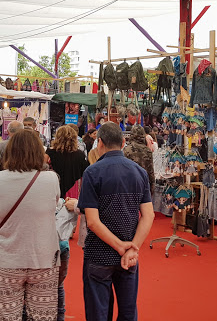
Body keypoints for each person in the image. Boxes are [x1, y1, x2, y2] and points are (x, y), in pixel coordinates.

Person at [78, 122, 155, 320]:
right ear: (123, 143)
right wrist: (132, 248)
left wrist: (122, 247)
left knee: (98, 313)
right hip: (129, 254)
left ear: (100, 143)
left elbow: (93, 222)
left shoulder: (92, 172)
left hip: (100, 254)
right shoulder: (139, 172)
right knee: (128, 312)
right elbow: (149, 215)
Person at [0, 129, 61, 320]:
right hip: (43, 259)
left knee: (7, 315)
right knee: (42, 315)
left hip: (6, 260)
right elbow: (55, 205)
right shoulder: (51, 179)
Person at [46, 125, 89, 199]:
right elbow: (84, 172)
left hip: (54, 188)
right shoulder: (79, 154)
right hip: (72, 190)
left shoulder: (49, 153)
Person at [124, 125, 156, 196]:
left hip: (130, 185)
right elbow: (150, 171)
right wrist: (152, 186)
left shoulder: (126, 150)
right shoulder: (147, 150)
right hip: (144, 184)